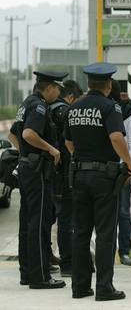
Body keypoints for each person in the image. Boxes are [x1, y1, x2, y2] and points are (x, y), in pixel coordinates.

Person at [65, 62, 131, 301]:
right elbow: (116, 137)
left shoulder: (74, 107)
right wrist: (129, 163)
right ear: (108, 84)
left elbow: (68, 143)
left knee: (80, 232)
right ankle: (104, 287)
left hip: (79, 175)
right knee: (105, 233)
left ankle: (80, 286)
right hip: (104, 178)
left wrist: (83, 155)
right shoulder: (110, 107)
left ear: (87, 83)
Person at [7, 70, 67, 289]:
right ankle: (40, 276)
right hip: (37, 171)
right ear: (49, 87)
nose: (58, 93)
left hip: (27, 167)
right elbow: (28, 134)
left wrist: (24, 154)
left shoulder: (26, 104)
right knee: (39, 222)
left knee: (27, 221)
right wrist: (51, 150)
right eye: (57, 89)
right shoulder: (39, 106)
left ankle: (27, 273)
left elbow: (12, 134)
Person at [49, 79, 83, 277]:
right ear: (71, 97)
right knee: (66, 219)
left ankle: (47, 256)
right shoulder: (65, 112)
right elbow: (72, 142)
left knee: (47, 218)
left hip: (47, 172)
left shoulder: (45, 107)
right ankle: (68, 263)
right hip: (63, 173)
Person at [109, 80, 131, 266]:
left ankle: (124, 252)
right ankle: (108, 251)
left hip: (122, 171)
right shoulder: (109, 112)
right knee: (107, 213)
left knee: (123, 212)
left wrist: (129, 169)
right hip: (106, 169)